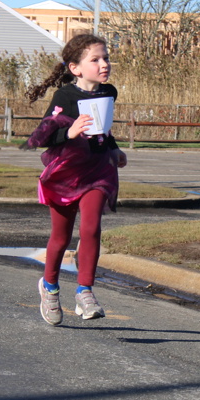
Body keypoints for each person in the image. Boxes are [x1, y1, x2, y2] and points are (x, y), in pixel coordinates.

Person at [25, 34, 127, 325]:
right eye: (95, 59)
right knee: (61, 237)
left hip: (98, 171)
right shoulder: (65, 97)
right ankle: (49, 287)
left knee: (91, 228)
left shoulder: (108, 92)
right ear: (75, 68)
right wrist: (69, 133)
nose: (104, 64)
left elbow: (103, 128)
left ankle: (85, 291)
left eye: (106, 57)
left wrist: (114, 148)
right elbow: (43, 136)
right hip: (66, 174)